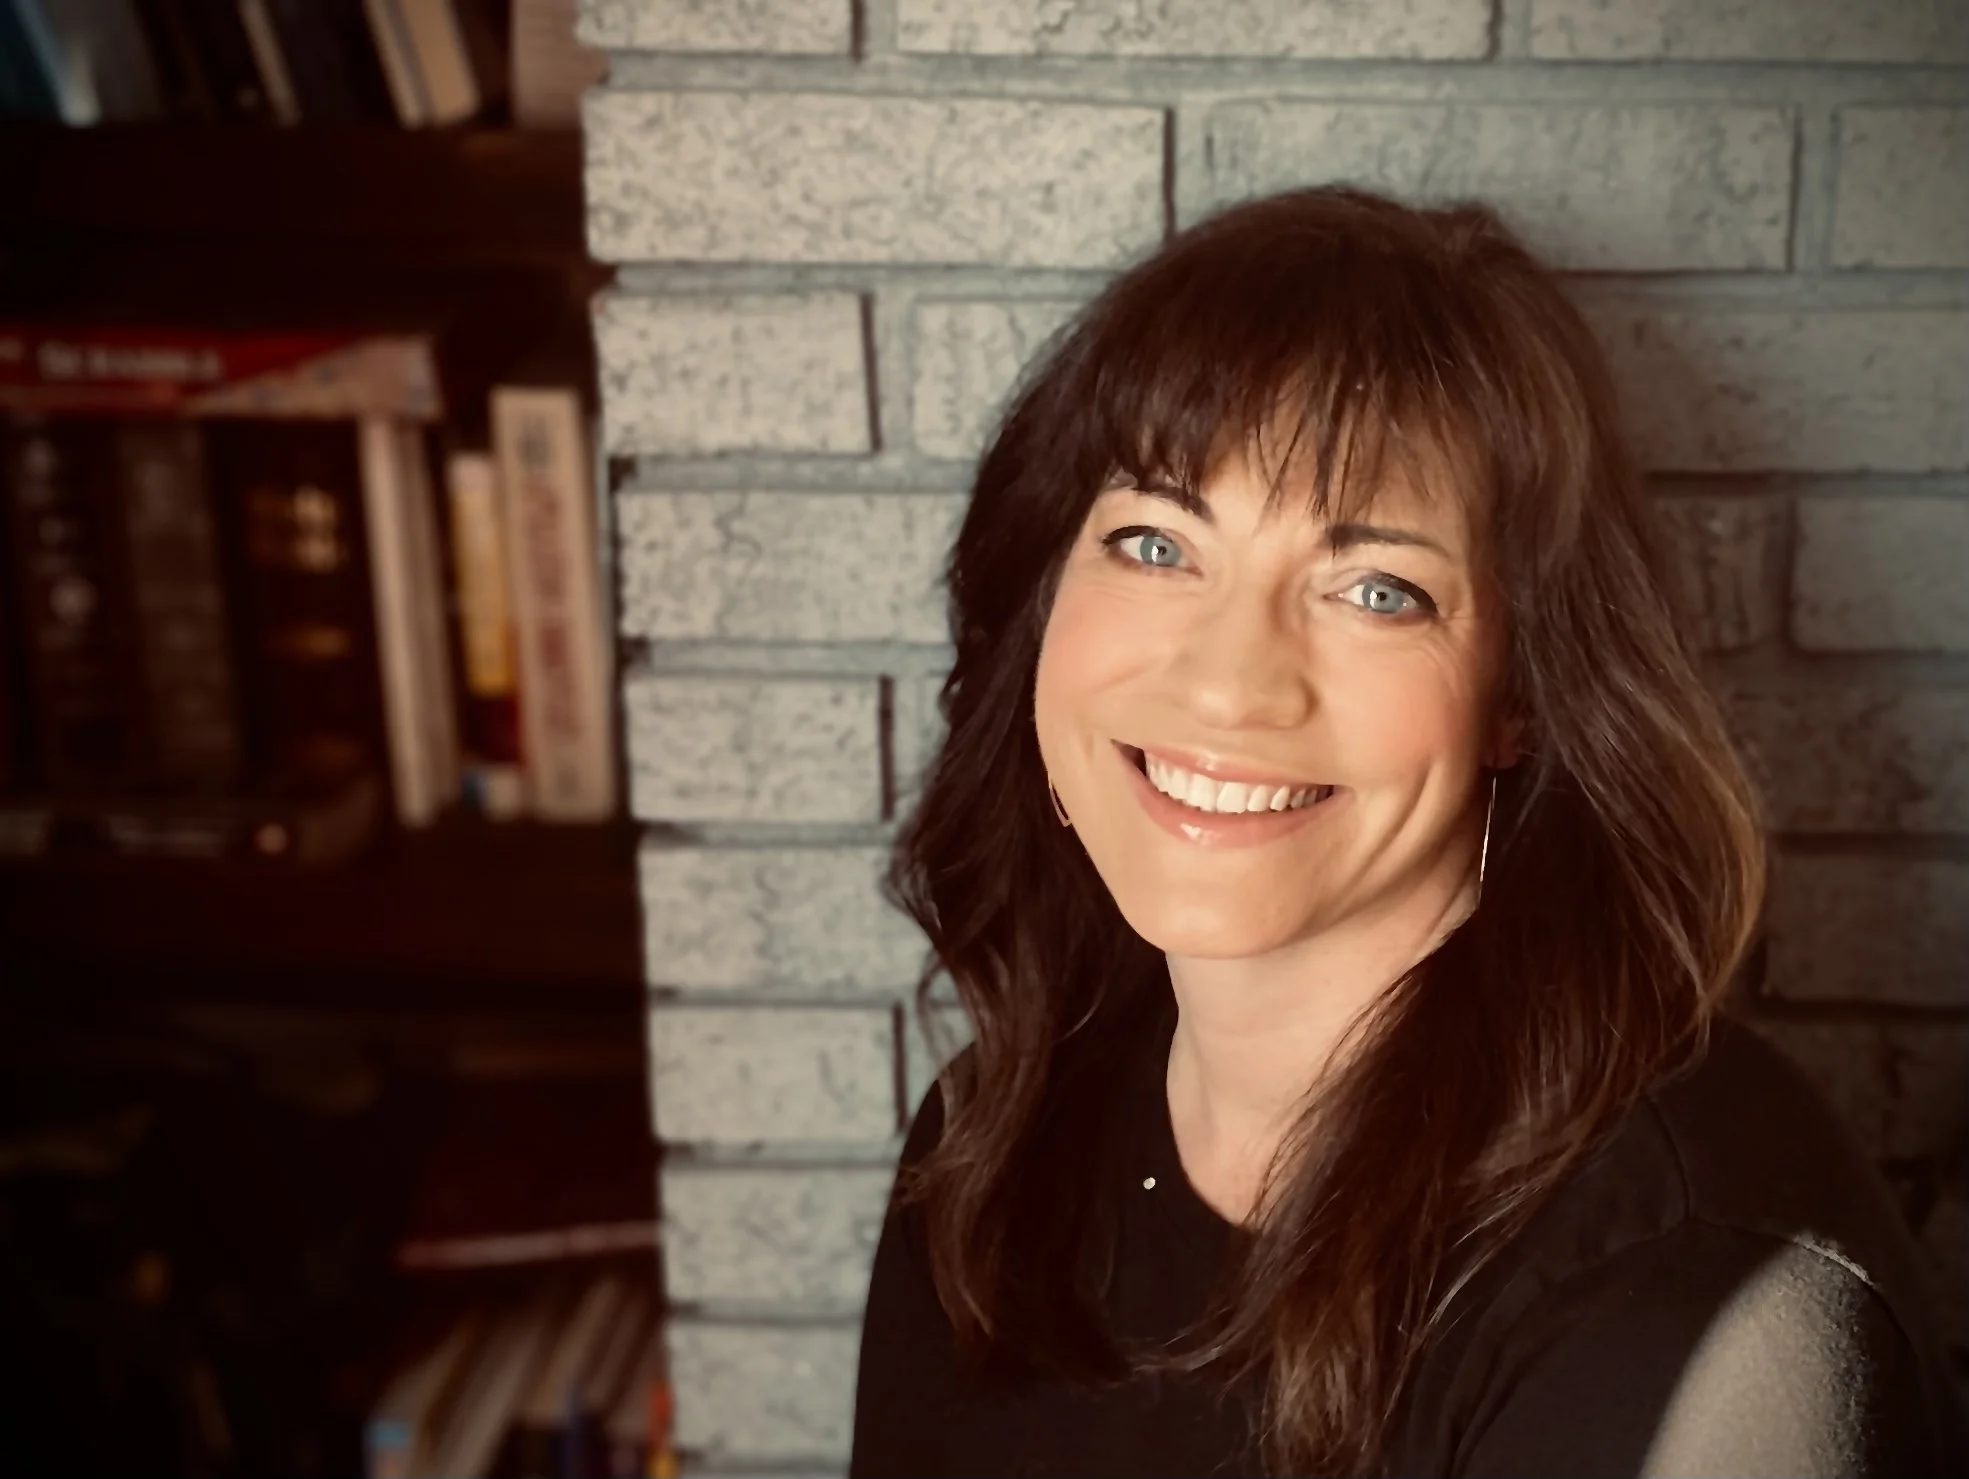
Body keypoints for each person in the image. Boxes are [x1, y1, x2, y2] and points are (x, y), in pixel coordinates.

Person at [848, 187, 1965, 1477]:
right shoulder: (999, 1141)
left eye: (1376, 590)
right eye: (1155, 543)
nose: (1229, 685)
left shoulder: (1712, 1314)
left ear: (1525, 699)